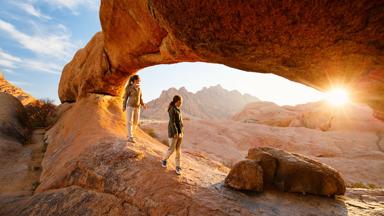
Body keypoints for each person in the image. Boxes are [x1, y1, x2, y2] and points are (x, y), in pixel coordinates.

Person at [161, 95, 184, 175]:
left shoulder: (178, 110)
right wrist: (175, 133)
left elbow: (179, 122)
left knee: (178, 150)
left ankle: (178, 166)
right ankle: (164, 160)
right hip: (173, 133)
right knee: (171, 149)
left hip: (180, 133)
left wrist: (181, 131)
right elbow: (172, 122)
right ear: (176, 101)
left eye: (181, 102)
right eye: (180, 102)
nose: (181, 103)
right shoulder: (172, 109)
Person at [122, 75, 147, 143]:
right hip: (130, 106)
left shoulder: (139, 88)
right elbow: (125, 98)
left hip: (137, 107)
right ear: (135, 80)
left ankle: (130, 134)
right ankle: (130, 136)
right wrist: (124, 106)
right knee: (129, 121)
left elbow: (140, 98)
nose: (140, 81)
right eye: (139, 80)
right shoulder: (129, 88)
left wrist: (143, 104)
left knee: (136, 122)